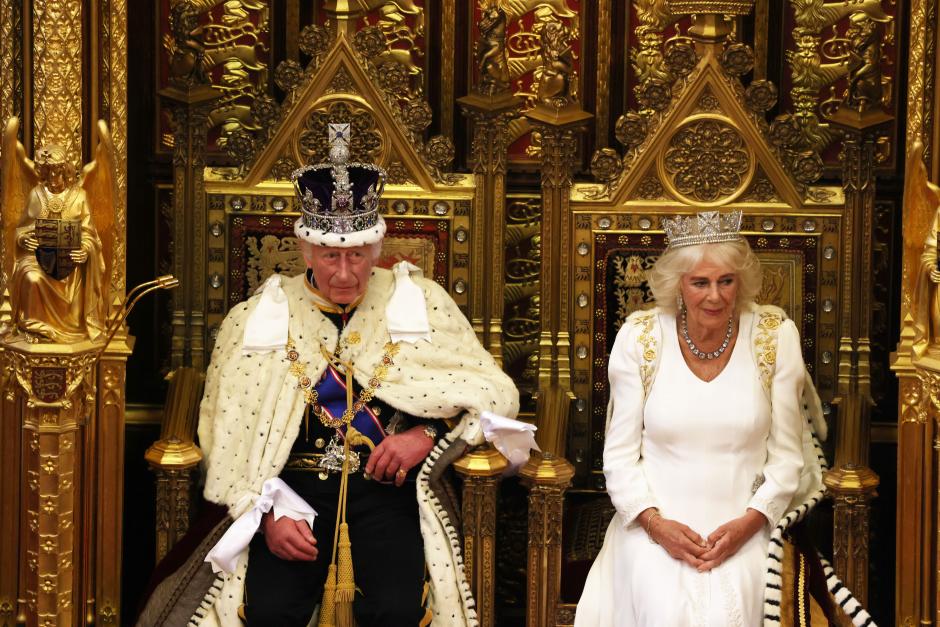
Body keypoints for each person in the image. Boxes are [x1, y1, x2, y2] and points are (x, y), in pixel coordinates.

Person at [190, 123, 519, 626]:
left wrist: (426, 435)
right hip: (288, 494)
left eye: (358, 256)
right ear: (304, 251)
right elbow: (225, 433)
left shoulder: (420, 301)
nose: (345, 273)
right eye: (330, 256)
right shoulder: (256, 317)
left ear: (377, 249)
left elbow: (493, 394)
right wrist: (265, 511)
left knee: (394, 610)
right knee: (272, 612)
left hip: (386, 491)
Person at [575, 210, 828, 626]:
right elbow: (619, 459)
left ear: (740, 282)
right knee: (661, 608)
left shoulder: (773, 336)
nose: (715, 296)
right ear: (677, 285)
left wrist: (749, 523)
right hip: (653, 526)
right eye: (700, 283)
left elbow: (786, 459)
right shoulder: (640, 338)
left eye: (726, 281)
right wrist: (657, 526)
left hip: (747, 523)